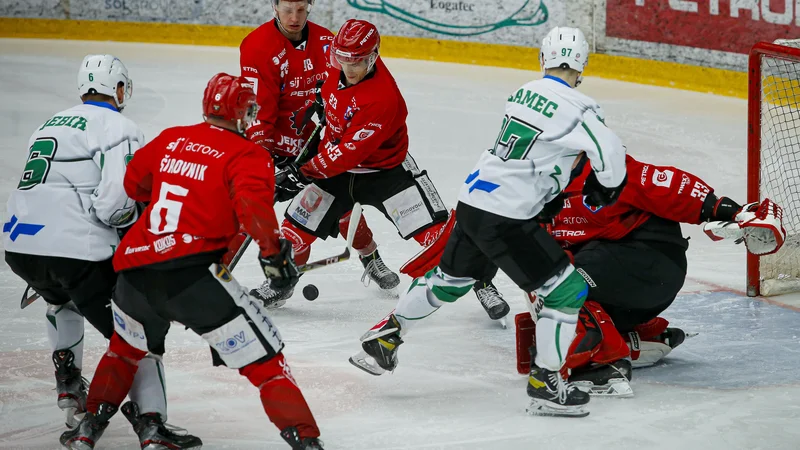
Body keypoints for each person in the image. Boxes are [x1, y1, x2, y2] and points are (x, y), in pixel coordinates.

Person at [349, 26, 629, 418]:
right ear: (583, 64)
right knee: (566, 294)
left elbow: (537, 151)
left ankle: (387, 334)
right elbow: (609, 150)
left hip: (475, 202)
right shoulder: (581, 106)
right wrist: (608, 189)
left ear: (542, 59)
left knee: (451, 280)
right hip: (506, 216)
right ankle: (546, 384)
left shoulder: (522, 93)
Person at [59, 73, 324, 450]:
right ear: (240, 112)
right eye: (249, 110)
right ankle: (308, 441)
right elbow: (253, 210)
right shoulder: (248, 154)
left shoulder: (170, 138)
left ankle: (87, 429)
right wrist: (275, 259)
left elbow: (134, 185)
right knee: (267, 363)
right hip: (193, 277)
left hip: (133, 273)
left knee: (123, 350)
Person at [3, 54, 200, 447]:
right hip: (76, 251)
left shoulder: (48, 123)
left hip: (19, 246)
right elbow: (113, 204)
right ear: (121, 89)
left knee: (63, 303)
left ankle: (69, 384)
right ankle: (152, 425)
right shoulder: (119, 126)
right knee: (138, 331)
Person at [514, 152, 786, 396]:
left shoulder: (600, 172)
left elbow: (666, 185)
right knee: (544, 279)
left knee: (556, 281)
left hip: (650, 259)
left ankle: (605, 360)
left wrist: (730, 211)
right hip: (635, 283)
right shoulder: (536, 199)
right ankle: (638, 337)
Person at [271, 19, 470, 312]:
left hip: (385, 171)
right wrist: (321, 99)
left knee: (437, 236)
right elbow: (328, 85)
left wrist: (301, 173)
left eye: (358, 62)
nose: (348, 68)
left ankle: (482, 284)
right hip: (337, 171)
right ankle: (281, 285)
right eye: (342, 59)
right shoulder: (337, 61)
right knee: (294, 231)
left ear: (374, 57)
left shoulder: (383, 98)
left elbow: (348, 154)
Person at [239, 0, 394, 305]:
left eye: (300, 8)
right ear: (273, 5)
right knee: (287, 216)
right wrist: (262, 161)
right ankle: (280, 279)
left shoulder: (328, 42)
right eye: (286, 9)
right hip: (277, 150)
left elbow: (353, 87)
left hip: (320, 144)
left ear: (310, 5)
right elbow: (259, 111)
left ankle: (369, 256)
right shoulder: (257, 46)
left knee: (337, 207)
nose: (293, 17)